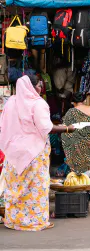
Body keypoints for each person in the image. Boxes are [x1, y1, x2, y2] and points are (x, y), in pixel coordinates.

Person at [0, 75, 75, 231]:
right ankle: (34, 221)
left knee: (16, 187)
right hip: (34, 152)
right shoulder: (37, 103)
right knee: (35, 187)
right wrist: (68, 128)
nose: (41, 88)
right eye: (39, 85)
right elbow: (46, 128)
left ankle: (15, 220)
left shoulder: (11, 102)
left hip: (13, 153)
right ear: (33, 87)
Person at [61, 92, 90, 201]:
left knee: (78, 165)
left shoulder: (71, 112)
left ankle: (80, 189)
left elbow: (65, 128)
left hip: (77, 142)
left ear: (73, 102)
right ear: (84, 100)